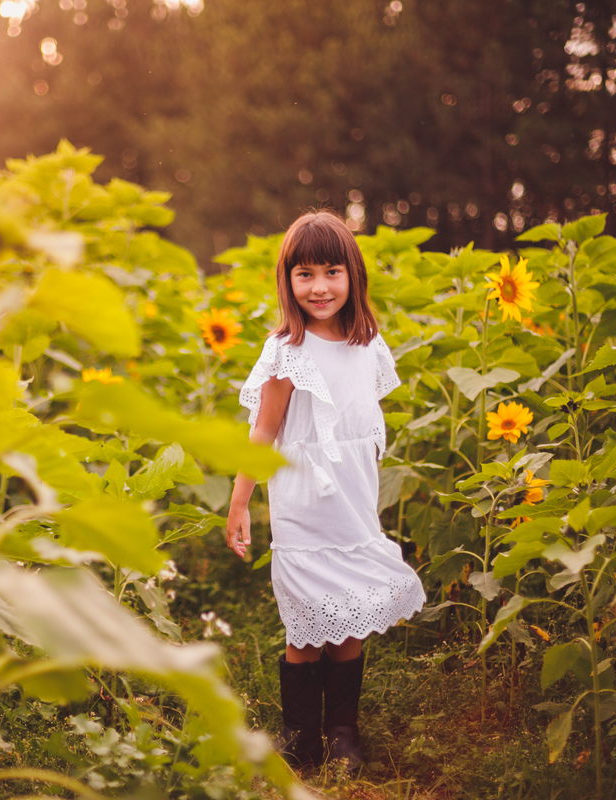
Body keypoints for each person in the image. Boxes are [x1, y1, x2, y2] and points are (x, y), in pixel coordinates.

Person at [225, 211, 426, 771]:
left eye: (331, 272)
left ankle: (343, 733)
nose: (319, 287)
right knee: (308, 622)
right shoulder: (288, 352)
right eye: (305, 274)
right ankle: (299, 736)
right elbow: (262, 432)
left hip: (355, 505)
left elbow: (363, 422)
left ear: (352, 275)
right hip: (304, 509)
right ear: (287, 280)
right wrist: (240, 502)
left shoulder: (368, 344)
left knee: (354, 612)